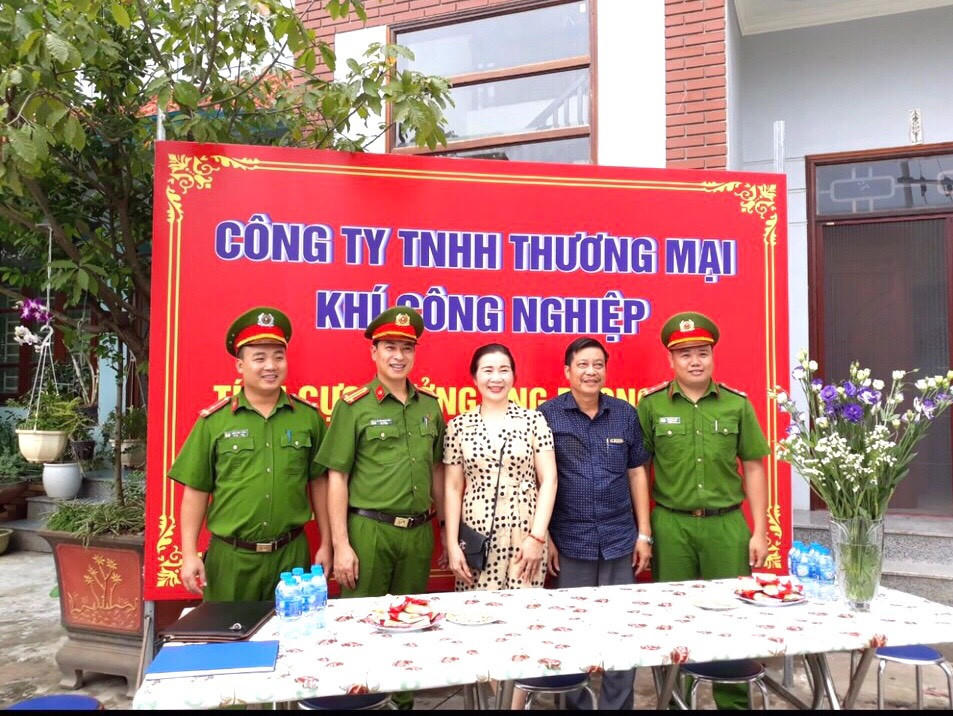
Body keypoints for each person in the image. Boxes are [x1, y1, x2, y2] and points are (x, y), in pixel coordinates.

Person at [637, 311, 769, 710]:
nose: (695, 361)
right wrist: (644, 532)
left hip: (725, 525)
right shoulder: (651, 405)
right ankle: (674, 700)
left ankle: (733, 703)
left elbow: (754, 466)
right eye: (685, 354)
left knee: (730, 616)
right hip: (671, 524)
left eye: (702, 353)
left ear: (712, 355)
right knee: (673, 618)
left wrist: (759, 531)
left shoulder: (736, 404)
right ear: (671, 360)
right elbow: (640, 469)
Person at [172, 306, 331, 601]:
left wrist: (327, 542)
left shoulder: (308, 418)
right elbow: (196, 490)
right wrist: (189, 553)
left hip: (291, 557)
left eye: (278, 357)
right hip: (231, 559)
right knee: (227, 630)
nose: (270, 366)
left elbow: (320, 483)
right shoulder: (214, 421)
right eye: (259, 358)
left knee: (292, 628)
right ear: (240, 365)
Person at [538, 337, 653, 711]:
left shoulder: (625, 414)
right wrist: (546, 537)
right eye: (583, 365)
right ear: (567, 371)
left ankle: (616, 706)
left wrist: (643, 533)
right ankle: (576, 705)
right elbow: (540, 481)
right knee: (572, 631)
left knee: (621, 631)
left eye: (598, 365)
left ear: (606, 369)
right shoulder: (547, 415)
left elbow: (637, 473)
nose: (591, 372)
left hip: (620, 539)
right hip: (570, 541)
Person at [317, 306, 446, 598]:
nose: (399, 356)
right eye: (390, 347)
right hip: (370, 532)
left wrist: (444, 530)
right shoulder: (354, 406)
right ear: (374, 352)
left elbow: (437, 470)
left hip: (418, 533)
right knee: (360, 617)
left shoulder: (429, 405)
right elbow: (337, 477)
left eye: (407, 348)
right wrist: (341, 544)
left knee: (413, 615)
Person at [443, 343, 558, 591]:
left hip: (526, 533)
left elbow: (549, 480)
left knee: (525, 606)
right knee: (477, 608)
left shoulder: (534, 421)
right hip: (477, 535)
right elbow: (452, 488)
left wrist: (537, 537)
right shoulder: (458, 427)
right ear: (474, 378)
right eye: (488, 370)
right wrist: (452, 544)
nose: (496, 378)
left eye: (504, 370)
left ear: (514, 376)